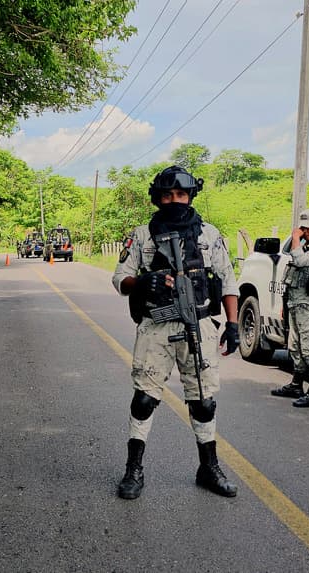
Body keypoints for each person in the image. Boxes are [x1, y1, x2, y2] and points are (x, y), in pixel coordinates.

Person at [112, 165, 241, 500]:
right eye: (167, 195)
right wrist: (143, 282)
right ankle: (133, 469)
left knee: (204, 402)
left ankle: (208, 468)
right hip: (156, 326)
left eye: (181, 194)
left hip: (200, 324)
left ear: (190, 196)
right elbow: (120, 279)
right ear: (157, 198)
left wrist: (233, 324)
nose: (174, 201)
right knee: (144, 399)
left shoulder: (209, 235)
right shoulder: (142, 235)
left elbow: (227, 280)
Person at [270, 207, 309, 408]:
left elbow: (299, 260)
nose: (304, 232)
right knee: (295, 346)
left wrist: (295, 238)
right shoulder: (305, 247)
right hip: (296, 304)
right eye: (302, 228)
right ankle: (296, 384)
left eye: (308, 228)